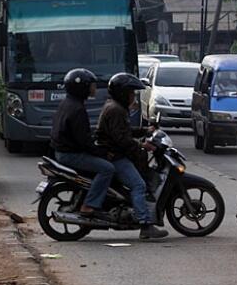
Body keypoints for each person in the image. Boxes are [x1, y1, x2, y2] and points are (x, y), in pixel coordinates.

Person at [96, 73, 169, 239]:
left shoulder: (115, 107)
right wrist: (142, 144)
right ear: (122, 93)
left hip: (114, 153)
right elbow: (121, 139)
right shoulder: (116, 110)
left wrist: (144, 131)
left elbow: (123, 132)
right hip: (114, 156)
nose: (133, 97)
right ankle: (145, 225)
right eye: (130, 93)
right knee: (139, 185)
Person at [50, 68, 115, 217]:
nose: (94, 88)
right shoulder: (77, 109)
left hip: (62, 151)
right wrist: (103, 153)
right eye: (91, 85)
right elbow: (84, 142)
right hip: (70, 154)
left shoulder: (67, 103)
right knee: (107, 169)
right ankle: (89, 205)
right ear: (82, 87)